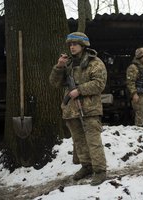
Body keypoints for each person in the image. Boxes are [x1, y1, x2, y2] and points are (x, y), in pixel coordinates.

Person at [49, 32, 107, 186]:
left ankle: (100, 170)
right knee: (79, 141)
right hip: (71, 109)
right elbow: (54, 83)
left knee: (93, 141)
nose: (72, 47)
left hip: (90, 108)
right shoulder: (67, 64)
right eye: (70, 45)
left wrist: (79, 90)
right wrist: (59, 67)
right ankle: (86, 166)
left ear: (83, 45)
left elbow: (99, 84)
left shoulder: (95, 63)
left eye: (75, 44)